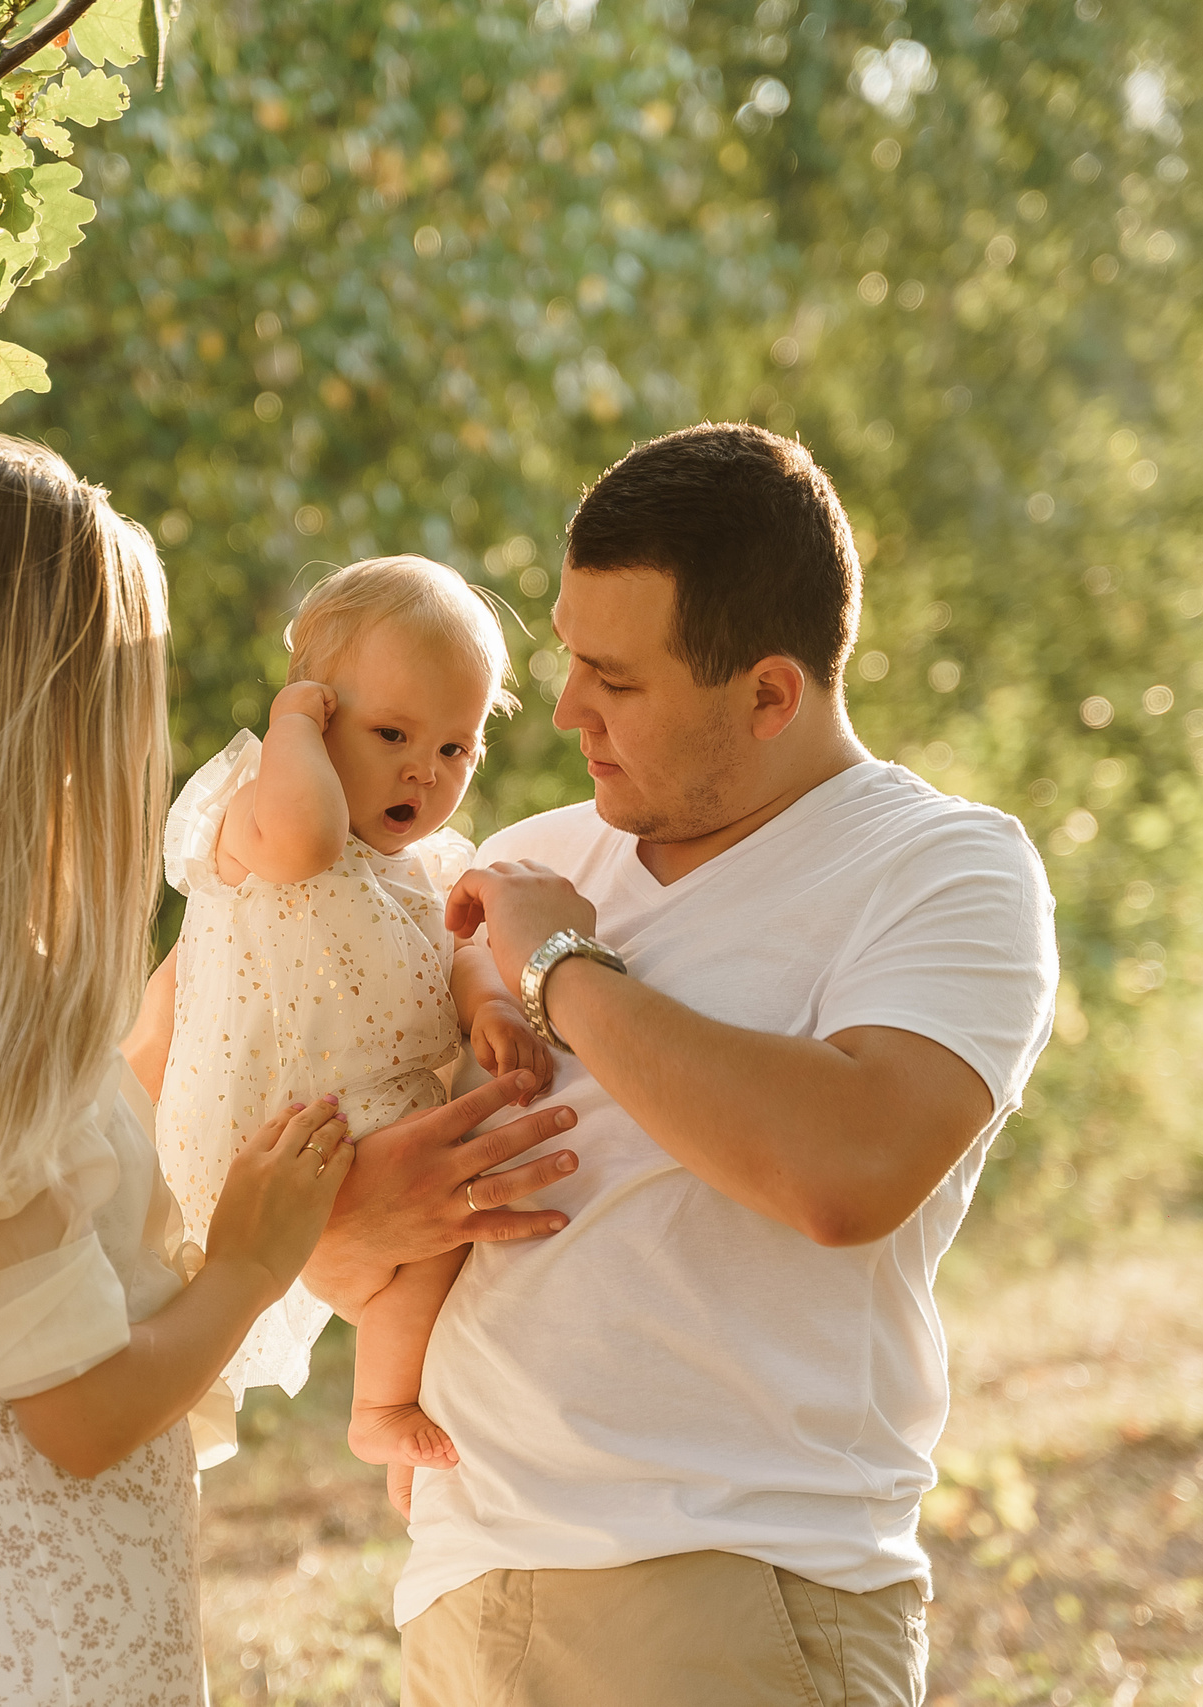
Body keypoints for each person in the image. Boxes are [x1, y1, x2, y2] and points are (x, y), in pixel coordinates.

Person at [0, 431, 582, 1706]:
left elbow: (88, 1227)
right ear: (28, 715)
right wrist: (261, 1261)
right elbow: (84, 1413)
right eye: (120, 691)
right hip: (24, 1634)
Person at [376, 423, 1062, 1707]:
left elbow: (849, 1167)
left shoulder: (943, 869)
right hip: (464, 1589)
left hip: (735, 1588)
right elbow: (359, 1224)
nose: (569, 707)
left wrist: (565, 975)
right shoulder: (532, 860)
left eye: (616, 682)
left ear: (768, 694)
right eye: (569, 659)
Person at [126, 556, 553, 1474]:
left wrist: (487, 1008)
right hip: (269, 1144)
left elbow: (464, 952)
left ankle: (386, 1404)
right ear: (319, 712)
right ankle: (370, 1401)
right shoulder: (255, 812)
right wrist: (290, 731)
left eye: (455, 748)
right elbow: (309, 839)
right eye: (393, 732)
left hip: (372, 1129)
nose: (424, 771)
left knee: (444, 1249)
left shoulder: (432, 867)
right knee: (436, 1242)